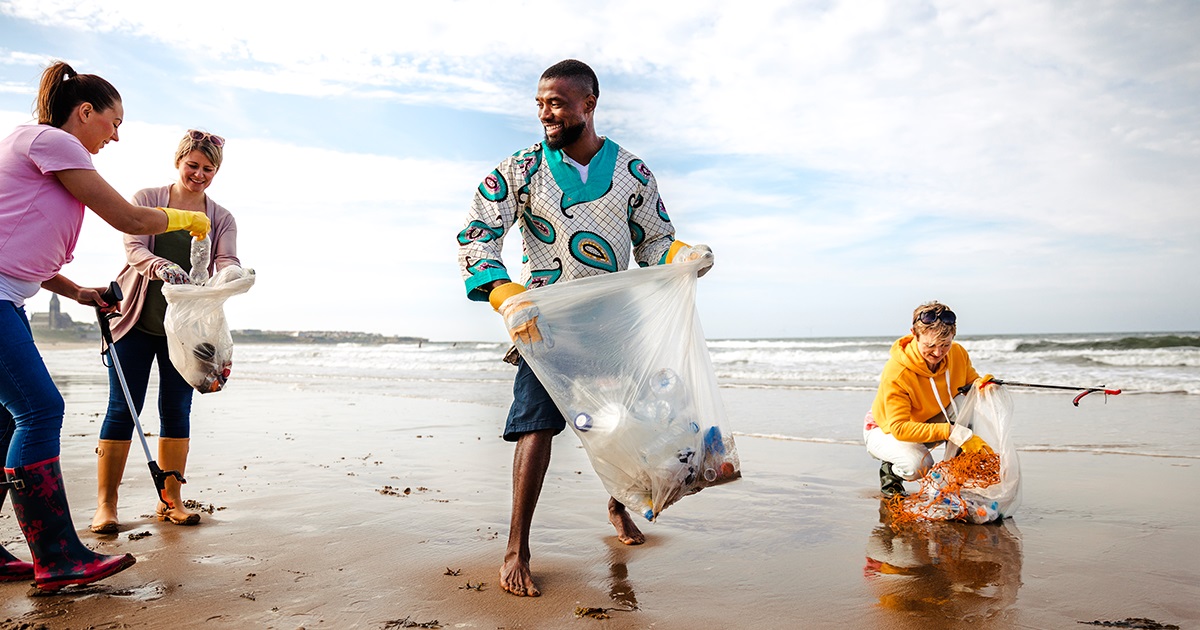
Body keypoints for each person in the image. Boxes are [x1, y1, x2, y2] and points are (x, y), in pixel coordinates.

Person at [456, 59, 713, 597]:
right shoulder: (520, 170)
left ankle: (618, 507)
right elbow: (477, 235)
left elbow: (652, 242)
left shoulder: (632, 173)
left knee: (624, 425)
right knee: (535, 428)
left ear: (588, 105)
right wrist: (506, 297)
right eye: (540, 103)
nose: (546, 113)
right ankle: (517, 547)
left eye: (557, 103)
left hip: (615, 324)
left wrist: (685, 253)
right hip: (542, 325)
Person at [0, 61, 209, 591]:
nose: (116, 135)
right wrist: (191, 219)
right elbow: (131, 220)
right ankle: (57, 555)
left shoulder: (41, 148)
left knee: (6, 420)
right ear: (85, 112)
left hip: (11, 297)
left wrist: (76, 291)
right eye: (113, 122)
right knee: (41, 409)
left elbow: (24, 251)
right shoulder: (54, 141)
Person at [89, 129, 239, 533]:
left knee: (176, 410)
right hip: (134, 320)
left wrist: (233, 274)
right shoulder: (147, 199)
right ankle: (107, 505)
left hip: (185, 333)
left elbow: (226, 258)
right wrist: (159, 266)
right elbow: (135, 248)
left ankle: (170, 500)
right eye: (193, 165)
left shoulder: (220, 217)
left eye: (208, 168)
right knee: (124, 410)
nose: (199, 174)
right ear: (179, 162)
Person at [863, 301, 994, 498]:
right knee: (919, 466)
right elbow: (899, 427)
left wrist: (984, 386)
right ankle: (890, 471)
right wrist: (952, 432)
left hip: (927, 422)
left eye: (945, 345)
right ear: (914, 334)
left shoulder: (958, 353)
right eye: (930, 345)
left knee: (968, 401)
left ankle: (957, 474)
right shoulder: (897, 372)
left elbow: (971, 384)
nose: (938, 353)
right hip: (886, 430)